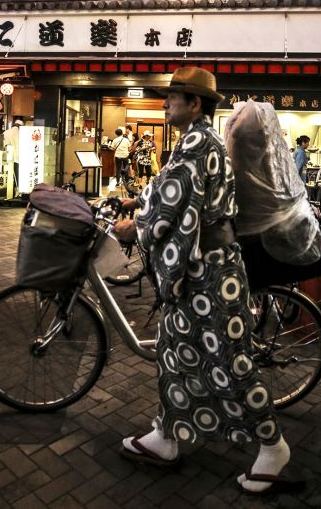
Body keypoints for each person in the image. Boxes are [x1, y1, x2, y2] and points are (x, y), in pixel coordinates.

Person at [112, 67, 303, 496]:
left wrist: (138, 225)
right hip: (205, 268)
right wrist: (140, 199)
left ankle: (273, 446)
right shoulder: (197, 141)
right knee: (176, 353)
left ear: (194, 103)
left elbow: (173, 207)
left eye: (173, 96)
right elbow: (170, 191)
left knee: (231, 362)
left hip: (210, 272)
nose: (165, 103)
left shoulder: (198, 141)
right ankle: (167, 434)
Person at [105, 126, 132, 190]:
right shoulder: (126, 140)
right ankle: (127, 181)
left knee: (118, 169)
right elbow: (129, 148)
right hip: (125, 155)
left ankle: (117, 182)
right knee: (126, 168)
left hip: (118, 156)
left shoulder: (115, 140)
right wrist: (126, 150)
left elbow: (113, 148)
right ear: (122, 133)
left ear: (116, 134)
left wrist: (109, 147)